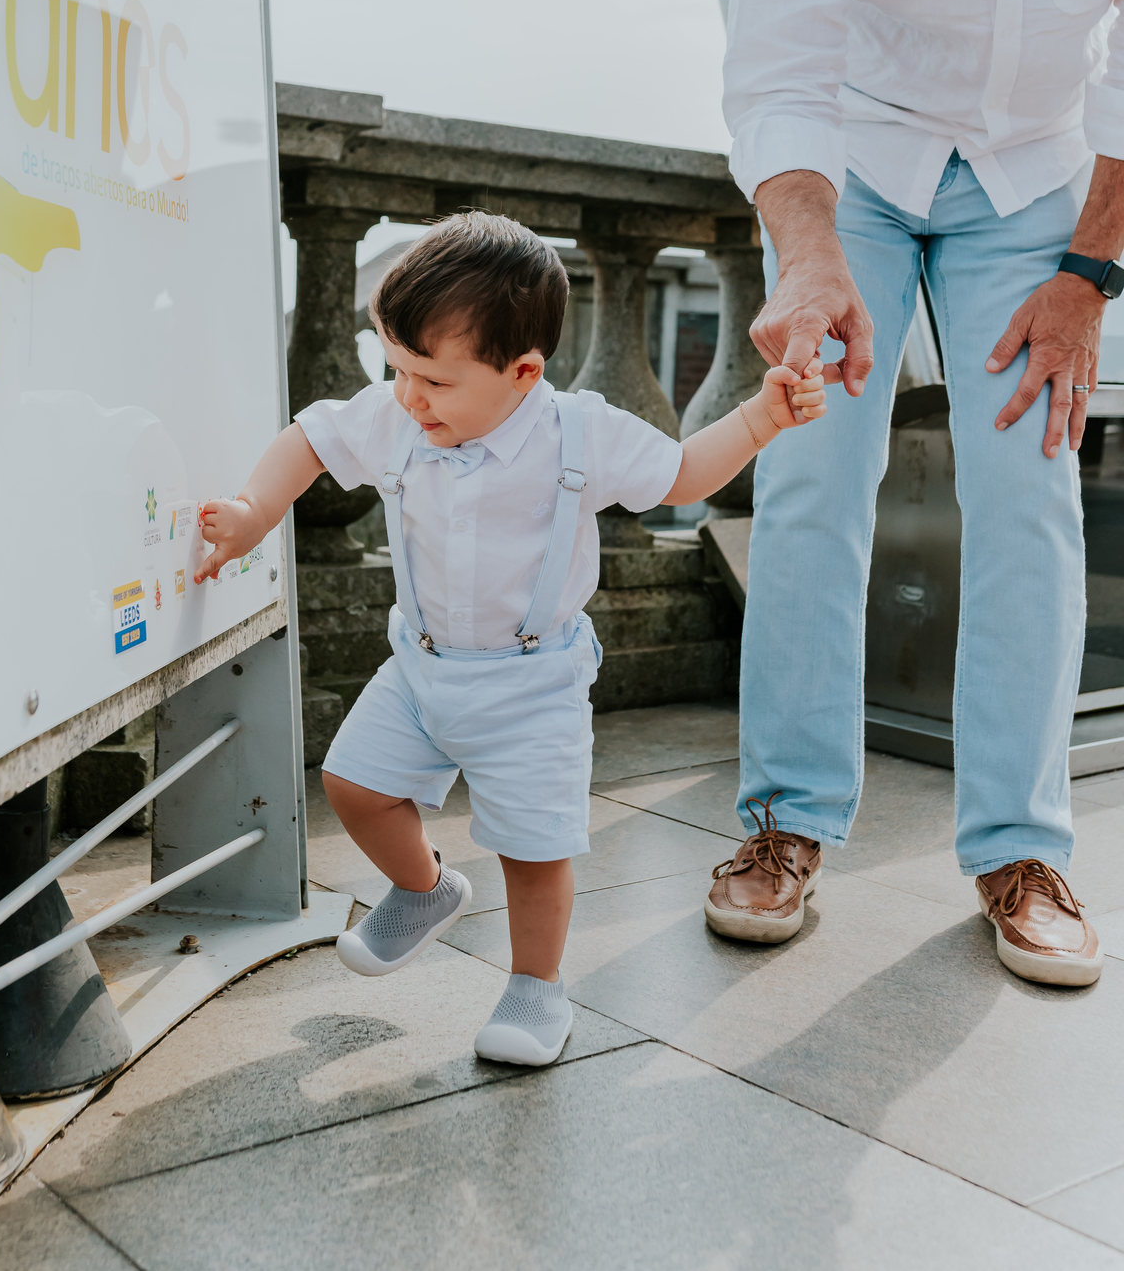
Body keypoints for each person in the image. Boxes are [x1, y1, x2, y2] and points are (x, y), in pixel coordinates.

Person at [713, 0, 1124, 987]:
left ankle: (1022, 851)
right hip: (861, 173)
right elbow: (781, 67)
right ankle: (784, 819)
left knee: (1033, 490)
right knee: (820, 468)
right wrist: (812, 258)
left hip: (1035, 170)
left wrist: (1089, 269)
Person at [196, 212, 828, 1064]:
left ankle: (536, 988)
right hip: (420, 666)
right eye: (396, 369)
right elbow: (309, 439)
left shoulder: (581, 431)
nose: (409, 396)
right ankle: (423, 891)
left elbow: (680, 473)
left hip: (533, 685)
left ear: (524, 372)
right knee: (350, 785)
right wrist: (250, 511)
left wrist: (759, 418)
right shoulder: (397, 415)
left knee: (533, 853)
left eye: (433, 380)